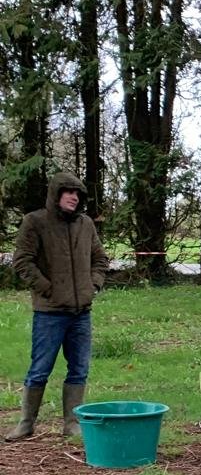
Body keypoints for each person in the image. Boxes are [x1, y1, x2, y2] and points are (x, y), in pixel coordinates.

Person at [6, 171, 108, 442]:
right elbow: (22, 262)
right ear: (56, 194)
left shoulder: (86, 224)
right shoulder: (35, 221)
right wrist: (48, 289)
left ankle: (71, 424)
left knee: (79, 369)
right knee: (40, 369)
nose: (74, 198)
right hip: (49, 313)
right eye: (68, 192)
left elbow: (100, 259)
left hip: (81, 313)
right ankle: (26, 424)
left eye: (78, 194)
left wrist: (93, 286)